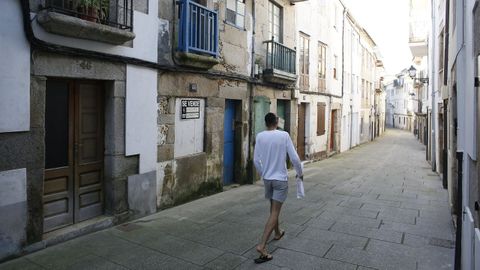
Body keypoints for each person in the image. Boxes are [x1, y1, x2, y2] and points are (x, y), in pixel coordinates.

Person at [253, 112, 303, 264]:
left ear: (265, 123)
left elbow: (256, 160)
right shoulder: (284, 135)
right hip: (280, 179)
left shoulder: (260, 136)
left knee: (273, 208)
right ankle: (262, 246)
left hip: (268, 179)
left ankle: (277, 232)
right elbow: (294, 157)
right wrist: (299, 173)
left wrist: (264, 174)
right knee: (275, 211)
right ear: (276, 122)